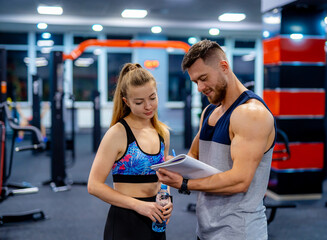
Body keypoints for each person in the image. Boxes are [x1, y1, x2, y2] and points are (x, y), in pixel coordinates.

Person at [156, 40, 276, 240]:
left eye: (203, 78)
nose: (200, 88)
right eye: (196, 82)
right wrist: (172, 165)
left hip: (239, 232)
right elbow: (194, 156)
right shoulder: (210, 111)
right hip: (206, 228)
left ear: (224, 66)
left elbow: (240, 181)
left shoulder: (251, 113)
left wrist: (184, 184)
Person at [88, 63, 173, 240]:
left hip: (155, 218)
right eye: (139, 102)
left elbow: (164, 177)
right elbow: (94, 185)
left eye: (152, 98)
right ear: (126, 102)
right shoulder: (117, 133)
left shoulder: (162, 132)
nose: (148, 106)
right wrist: (138, 205)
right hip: (125, 221)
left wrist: (167, 199)